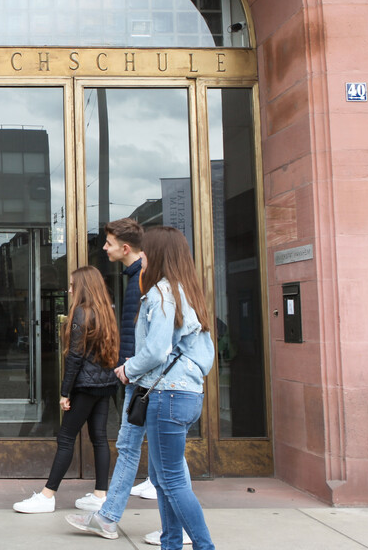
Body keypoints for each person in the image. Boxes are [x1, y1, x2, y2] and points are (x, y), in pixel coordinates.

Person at [70, 226, 216, 549]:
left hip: (168, 396)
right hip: (188, 393)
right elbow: (204, 353)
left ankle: (204, 545)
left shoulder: (161, 293)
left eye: (147, 250)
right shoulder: (187, 293)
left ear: (159, 255)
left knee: (172, 481)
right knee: (165, 480)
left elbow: (155, 350)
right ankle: (171, 543)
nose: (142, 255)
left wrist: (127, 370)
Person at [12, 266, 120, 514]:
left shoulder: (81, 313)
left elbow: (75, 358)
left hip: (85, 385)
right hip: (104, 384)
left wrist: (64, 392)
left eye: (72, 286)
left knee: (66, 438)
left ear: (83, 287)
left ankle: (48, 496)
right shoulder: (106, 311)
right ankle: (100, 494)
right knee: (100, 438)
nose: (69, 290)